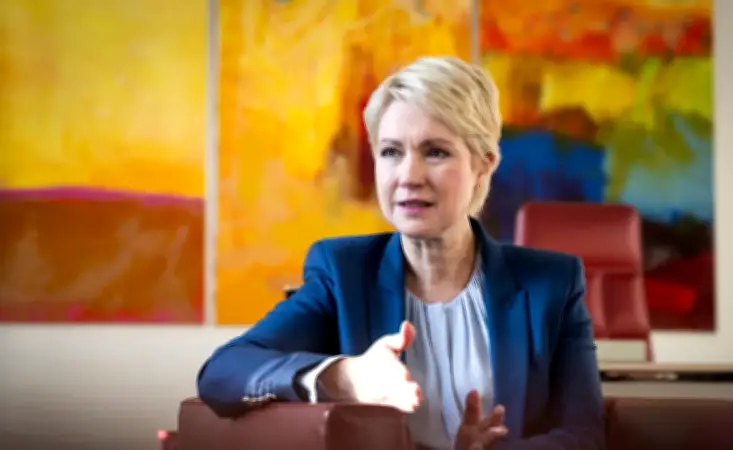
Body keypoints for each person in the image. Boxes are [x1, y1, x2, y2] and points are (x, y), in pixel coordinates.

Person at [197, 56, 605, 450]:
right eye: (391, 152)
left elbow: (584, 436)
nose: (409, 176)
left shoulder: (552, 284)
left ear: (484, 164)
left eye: (436, 152)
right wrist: (344, 377)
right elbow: (223, 372)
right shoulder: (343, 274)